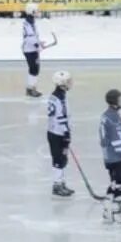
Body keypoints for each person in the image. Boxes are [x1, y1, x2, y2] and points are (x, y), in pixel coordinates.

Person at [99, 88, 121, 225]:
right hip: (117, 157)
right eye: (120, 99)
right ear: (115, 102)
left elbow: (106, 138)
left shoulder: (107, 115)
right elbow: (117, 140)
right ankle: (118, 213)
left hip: (108, 157)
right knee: (120, 184)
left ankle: (107, 212)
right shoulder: (113, 118)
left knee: (114, 183)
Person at [46, 70, 73, 198]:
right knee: (58, 159)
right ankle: (57, 185)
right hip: (58, 134)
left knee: (62, 159)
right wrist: (66, 134)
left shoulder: (56, 95)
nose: (70, 83)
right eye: (68, 81)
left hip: (54, 132)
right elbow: (61, 117)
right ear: (62, 83)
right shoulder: (60, 98)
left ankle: (61, 182)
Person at [21, 2, 43, 97]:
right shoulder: (28, 23)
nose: (38, 12)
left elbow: (34, 36)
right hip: (30, 50)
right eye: (36, 11)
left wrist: (39, 43)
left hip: (32, 49)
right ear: (32, 11)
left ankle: (32, 88)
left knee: (35, 69)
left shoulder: (31, 22)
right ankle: (30, 89)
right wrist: (37, 45)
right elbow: (30, 37)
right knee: (34, 69)